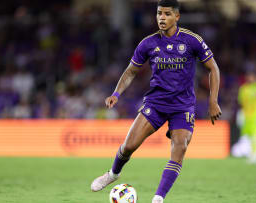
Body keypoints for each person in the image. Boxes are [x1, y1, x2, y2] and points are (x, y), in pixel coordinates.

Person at [91, 0, 222, 202]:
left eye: (167, 14)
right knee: (128, 146)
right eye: (159, 13)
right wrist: (116, 94)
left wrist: (213, 101)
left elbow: (213, 68)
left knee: (181, 147)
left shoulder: (191, 40)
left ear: (176, 17)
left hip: (183, 106)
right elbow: (131, 71)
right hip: (155, 104)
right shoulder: (148, 43)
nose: (162, 17)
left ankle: (158, 198)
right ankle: (113, 174)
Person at [236, 72, 256, 163]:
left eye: (252, 77)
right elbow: (241, 102)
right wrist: (240, 113)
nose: (250, 79)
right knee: (247, 136)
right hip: (246, 117)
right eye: (249, 77)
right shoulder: (243, 89)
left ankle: (254, 155)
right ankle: (249, 153)